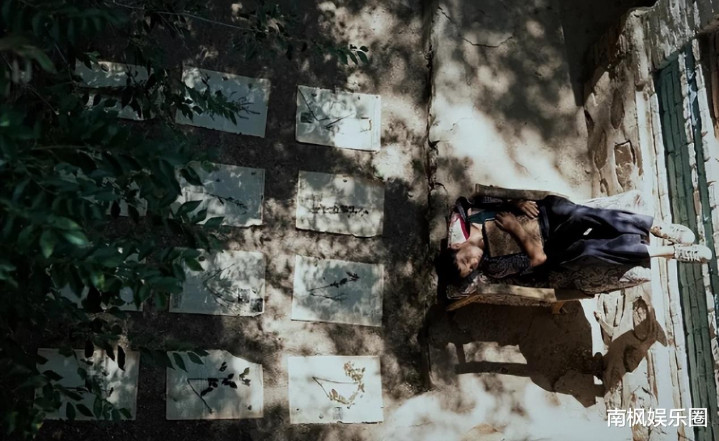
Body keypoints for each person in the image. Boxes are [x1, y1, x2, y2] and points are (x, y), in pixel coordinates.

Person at [436, 194, 712, 287]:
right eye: (470, 270)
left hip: (547, 215)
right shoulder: (494, 266)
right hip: (552, 248)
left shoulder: (475, 214)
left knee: (579, 214)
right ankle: (671, 252)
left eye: (465, 261)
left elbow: (499, 197)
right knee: (587, 248)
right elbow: (538, 259)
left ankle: (656, 227)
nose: (473, 265)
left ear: (457, 245)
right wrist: (515, 229)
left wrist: (517, 203)